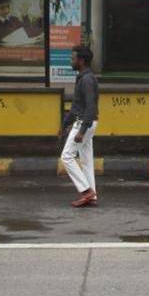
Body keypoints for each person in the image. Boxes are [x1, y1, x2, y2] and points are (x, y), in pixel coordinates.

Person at [60, 45, 99, 207]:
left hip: (85, 122)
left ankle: (86, 191)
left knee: (67, 156)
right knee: (86, 161)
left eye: (73, 58)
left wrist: (82, 130)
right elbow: (77, 105)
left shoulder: (87, 80)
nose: (71, 61)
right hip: (86, 122)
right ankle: (92, 194)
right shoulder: (83, 78)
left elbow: (90, 107)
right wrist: (64, 124)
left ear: (81, 61)